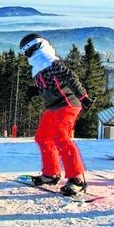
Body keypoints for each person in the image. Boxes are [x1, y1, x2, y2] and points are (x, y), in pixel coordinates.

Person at [19, 33, 94, 196]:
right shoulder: (39, 64)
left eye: (28, 51)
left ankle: (77, 179)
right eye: (25, 52)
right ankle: (51, 174)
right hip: (53, 107)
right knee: (43, 137)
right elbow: (50, 84)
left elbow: (70, 78)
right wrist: (36, 90)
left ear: (36, 47)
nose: (27, 55)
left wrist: (83, 97)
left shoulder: (50, 61)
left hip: (67, 104)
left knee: (62, 139)